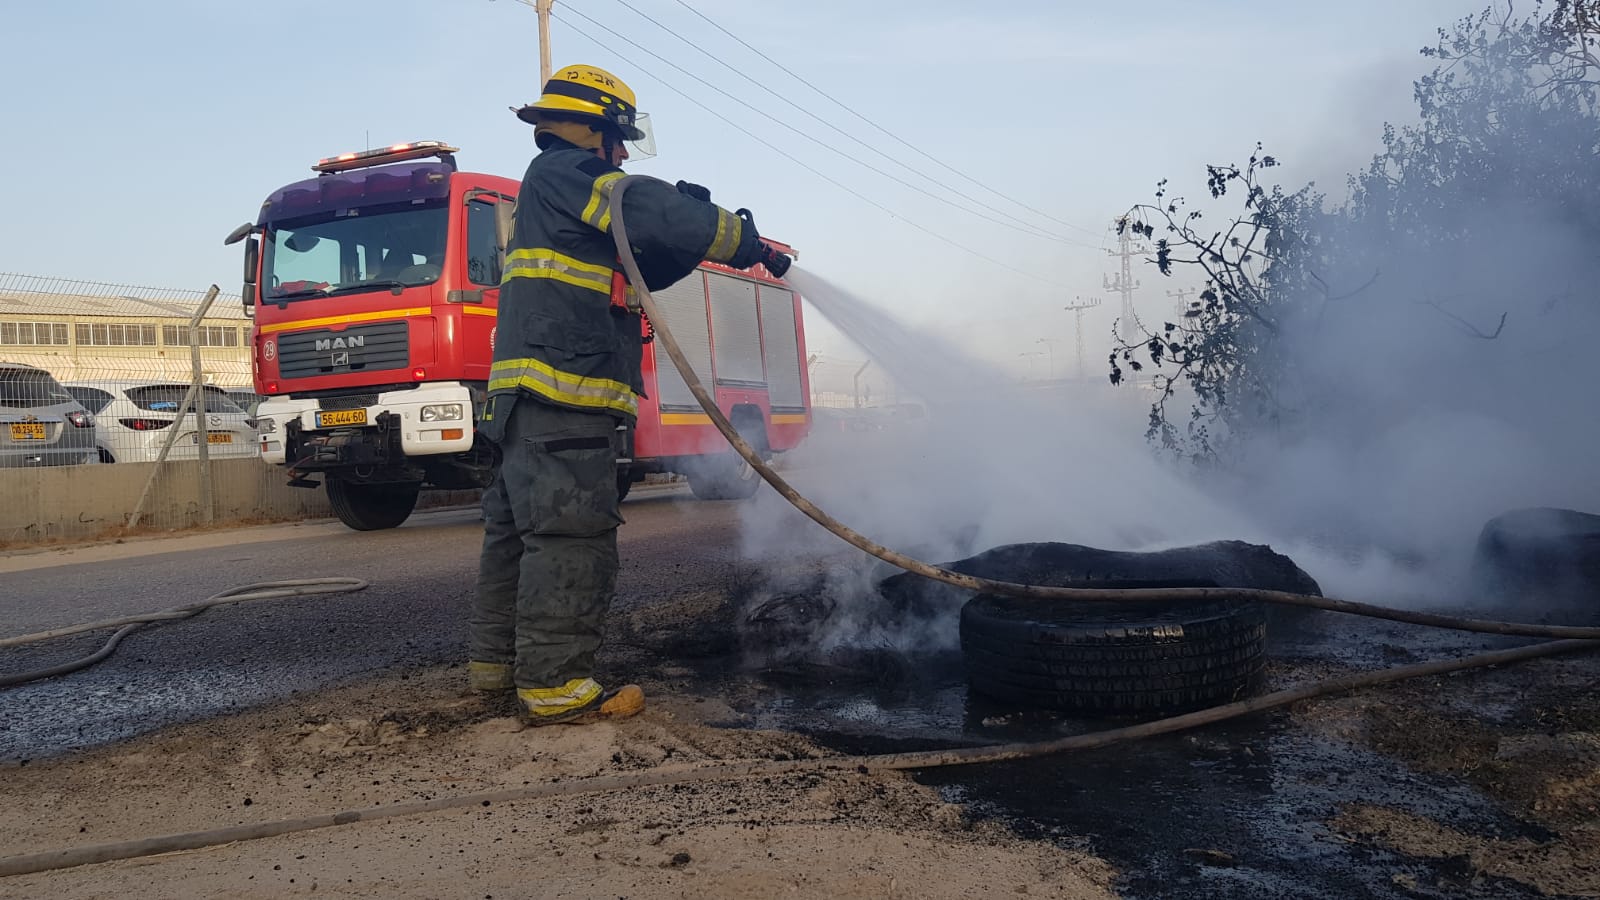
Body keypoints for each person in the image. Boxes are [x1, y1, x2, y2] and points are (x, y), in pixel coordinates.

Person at [469, 64, 791, 725]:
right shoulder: (568, 172)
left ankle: (499, 669)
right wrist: (733, 233)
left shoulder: (554, 194)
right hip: (564, 393)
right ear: (598, 129)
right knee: (572, 536)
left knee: (520, 535)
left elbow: (641, 264)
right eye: (619, 140)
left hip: (531, 398)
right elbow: (644, 206)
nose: (621, 154)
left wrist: (692, 241)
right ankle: (557, 686)